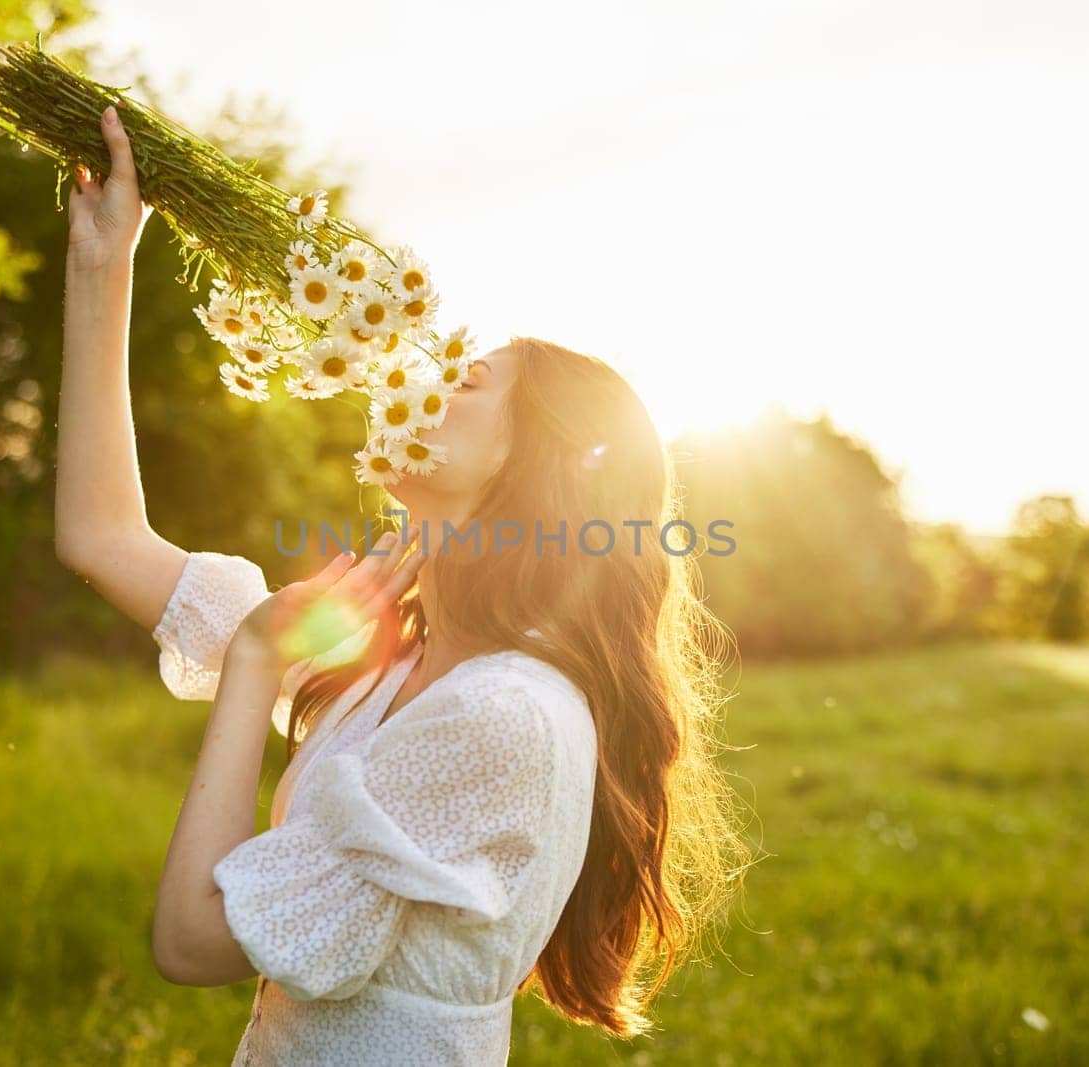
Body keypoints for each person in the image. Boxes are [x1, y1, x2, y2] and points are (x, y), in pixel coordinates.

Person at [54, 105, 754, 1066]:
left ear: (541, 469)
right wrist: (106, 264)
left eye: (465, 384)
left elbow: (192, 939)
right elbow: (100, 536)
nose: (420, 384)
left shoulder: (502, 715)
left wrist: (261, 653)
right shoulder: (387, 671)